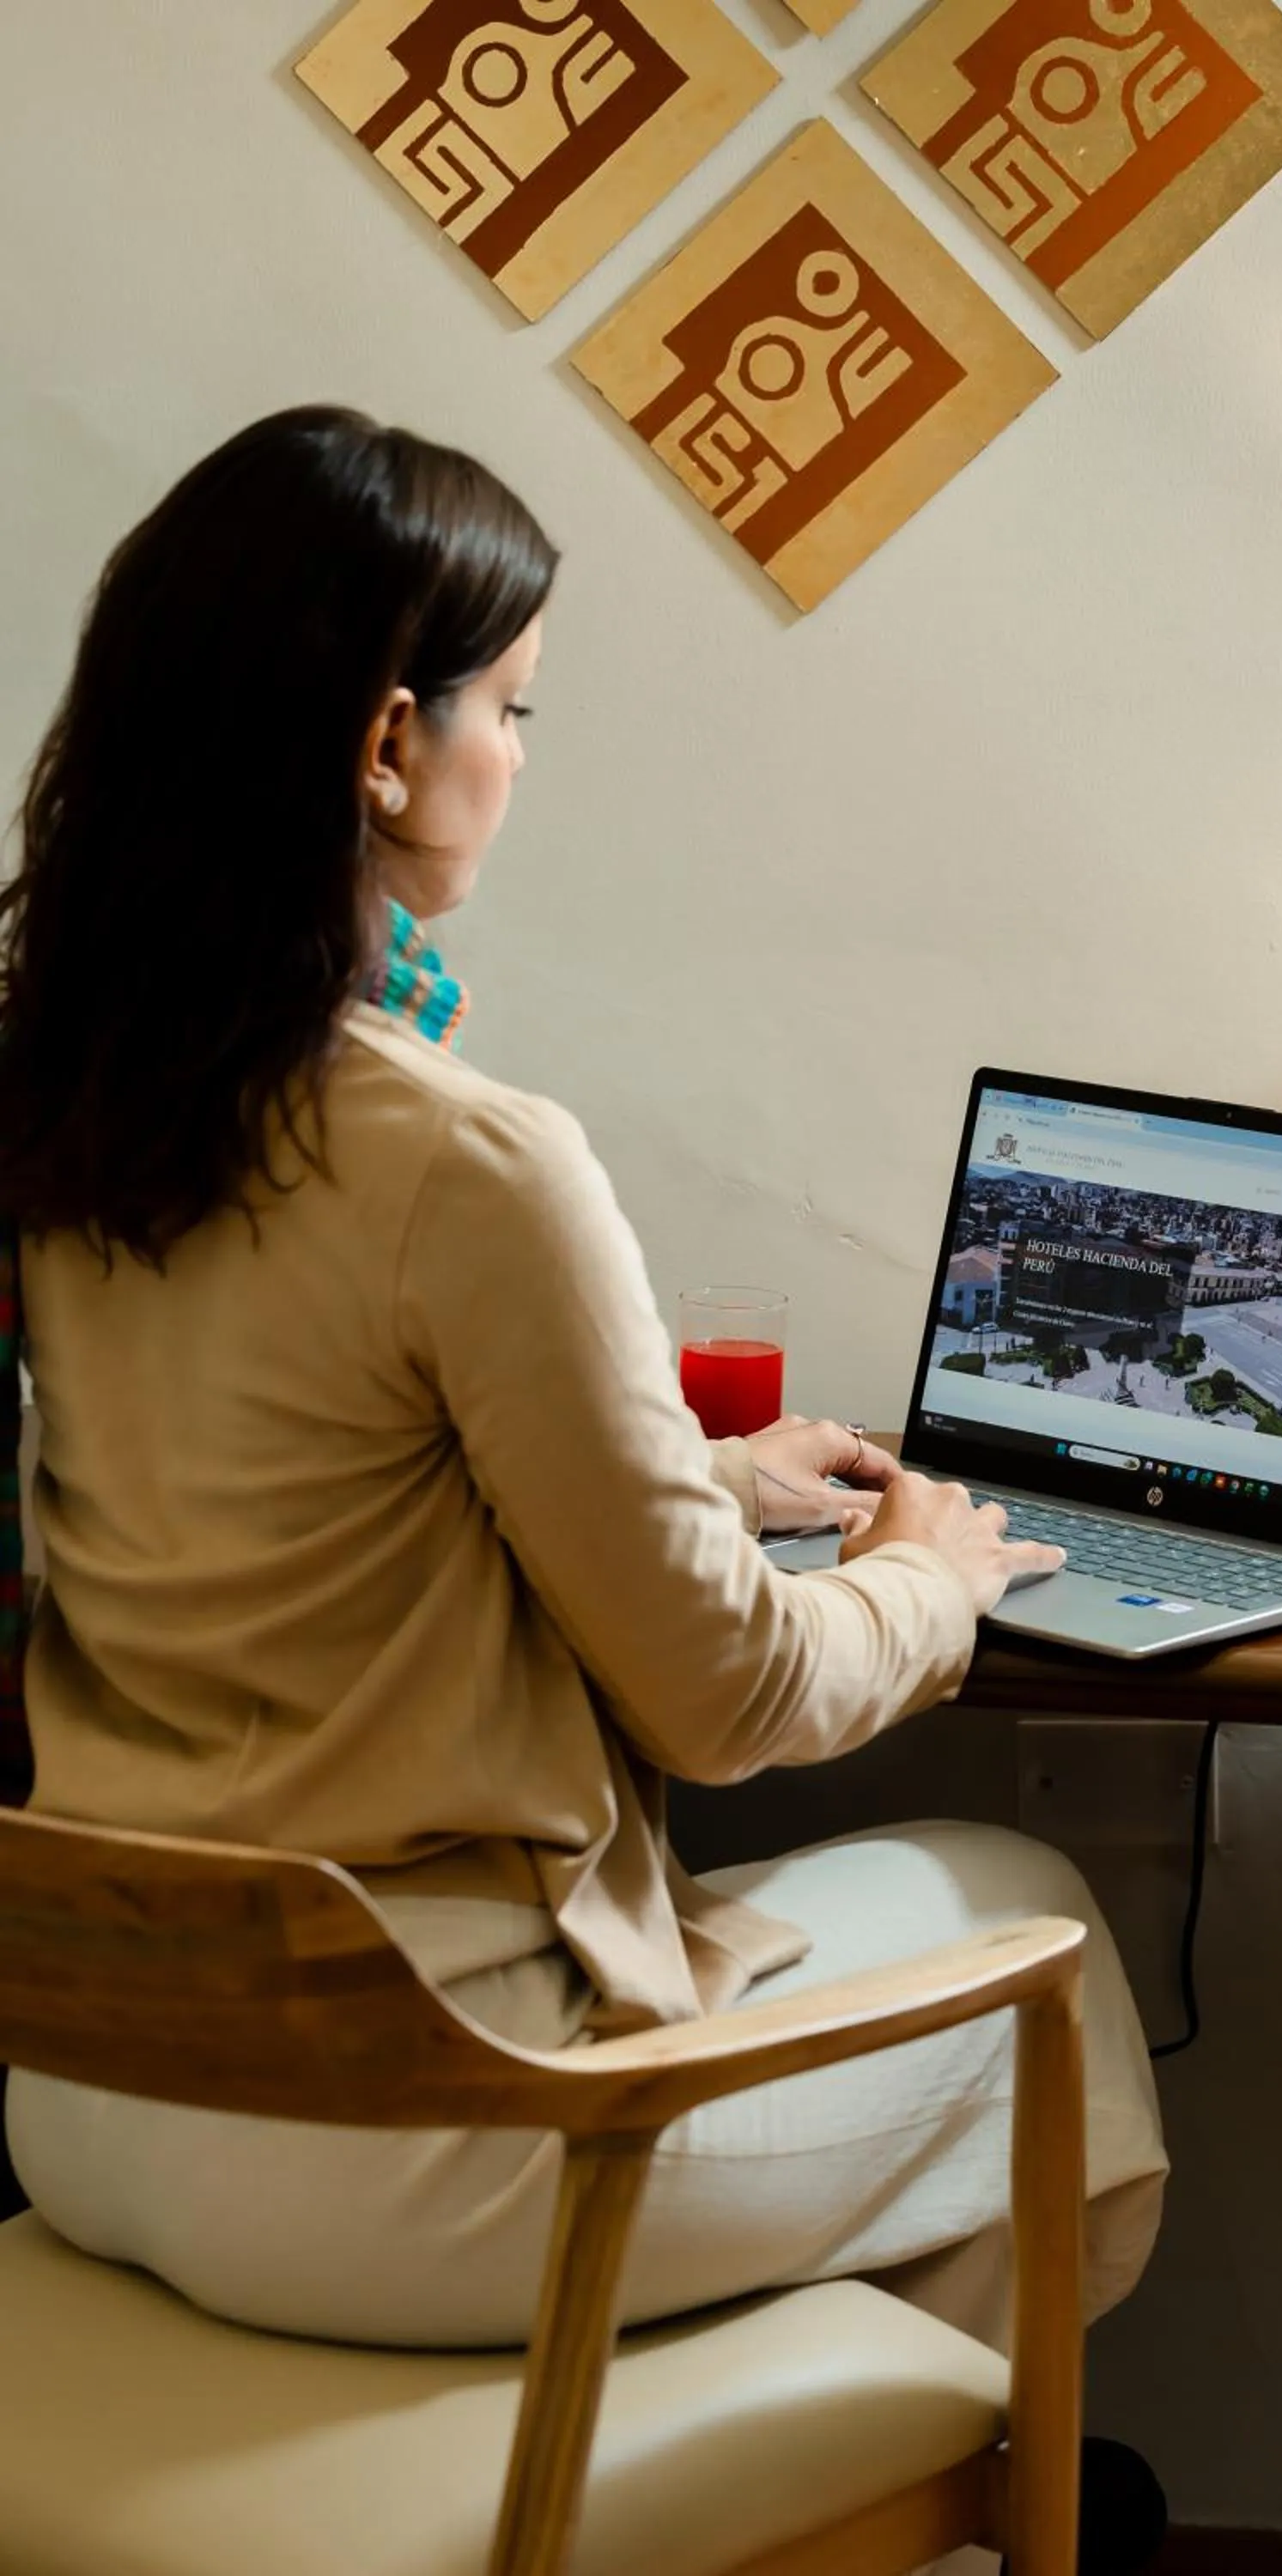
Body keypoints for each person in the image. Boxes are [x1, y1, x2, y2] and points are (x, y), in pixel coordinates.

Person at [0, 409, 1169, 2571]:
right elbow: (725, 1703)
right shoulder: (465, 1155)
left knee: (917, 1945)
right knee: (1039, 1930)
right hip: (413, 2138)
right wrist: (923, 1574)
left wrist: (685, 1473)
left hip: (89, 2106)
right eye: (512, 709)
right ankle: (824, 2518)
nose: (522, 759)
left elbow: (269, 1499)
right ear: (382, 743)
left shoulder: (61, 1092)